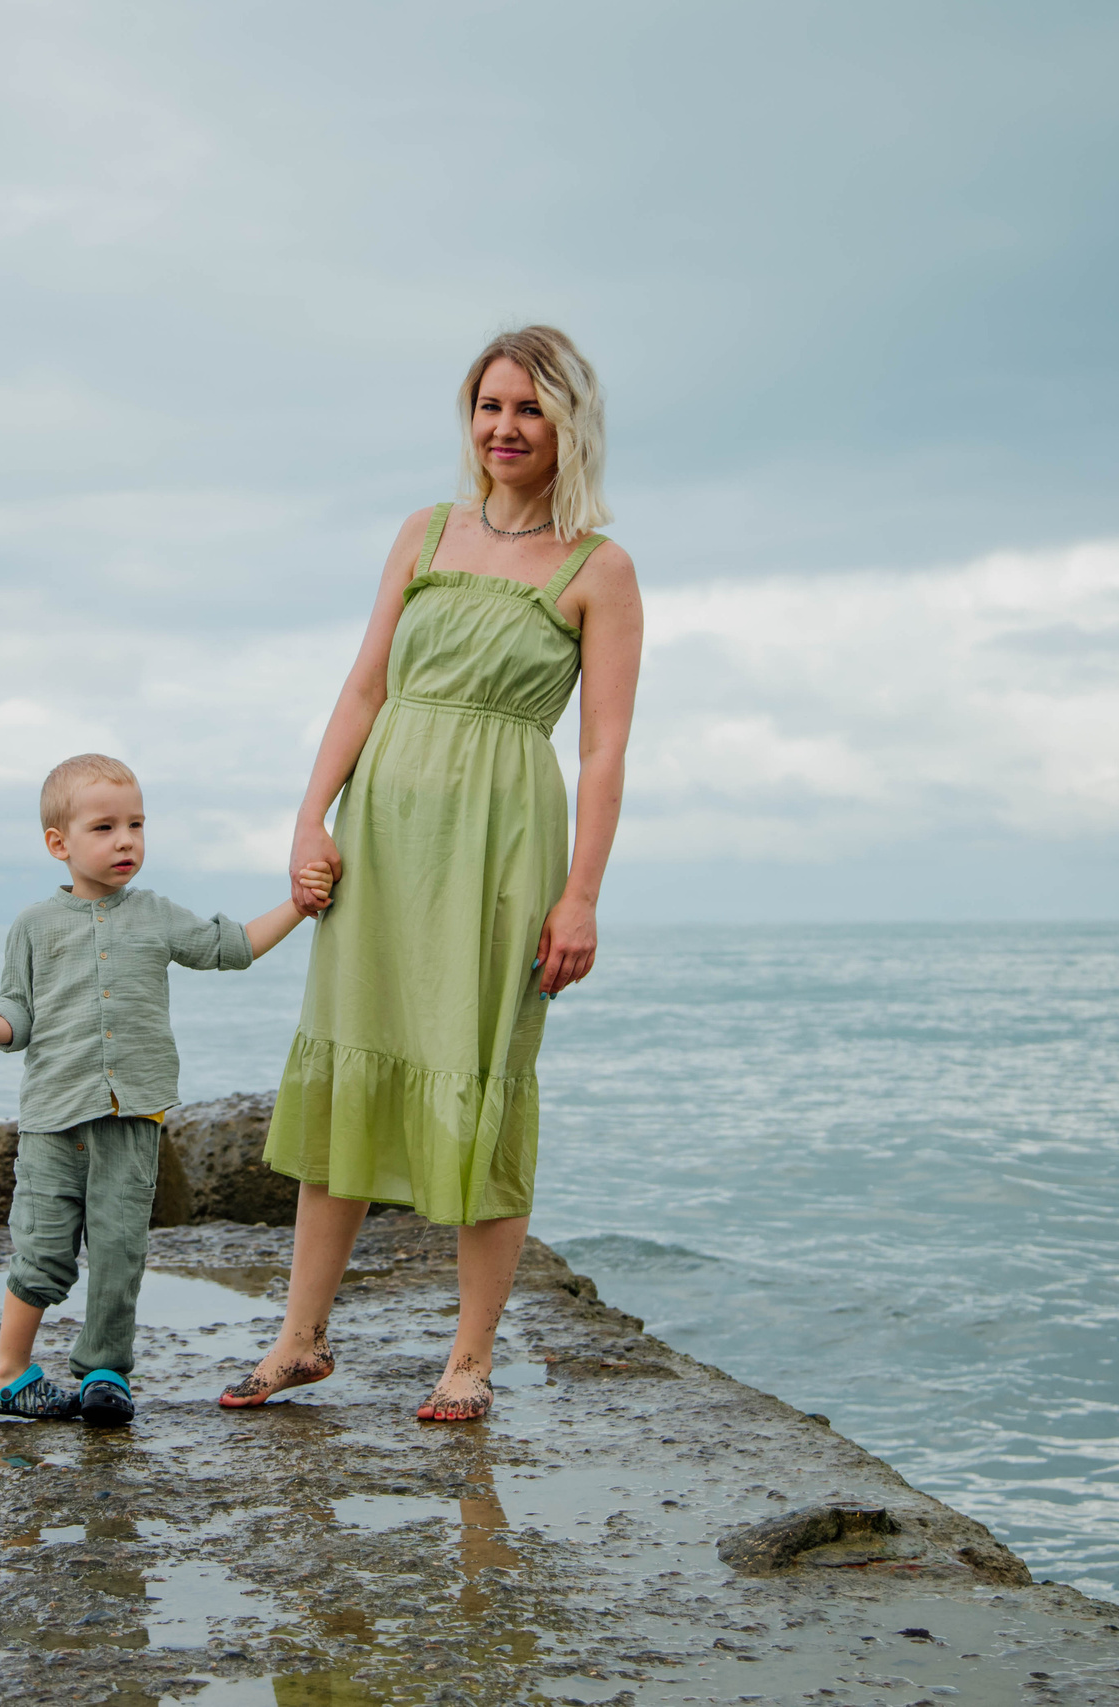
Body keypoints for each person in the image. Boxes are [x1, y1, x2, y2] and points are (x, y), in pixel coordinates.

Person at [225, 326, 644, 1423]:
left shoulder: (597, 566)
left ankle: (468, 1358)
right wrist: (309, 821)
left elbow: (603, 748)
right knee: (346, 1073)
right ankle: (300, 1339)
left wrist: (582, 894)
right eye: (488, 407)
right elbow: (363, 687)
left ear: (568, 426)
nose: (504, 429)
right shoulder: (423, 533)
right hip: (382, 836)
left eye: (528, 410)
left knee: (483, 1075)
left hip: (503, 847)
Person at [0, 752, 331, 1427]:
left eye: (136, 824)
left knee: (119, 1247)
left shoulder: (157, 914)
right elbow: (15, 1014)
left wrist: (299, 903)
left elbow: (233, 947)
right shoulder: (34, 925)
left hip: (133, 1115)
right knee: (43, 1247)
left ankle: (105, 1371)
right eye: (105, 827)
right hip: (54, 1120)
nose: (125, 840)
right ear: (60, 843)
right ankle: (6, 1371)